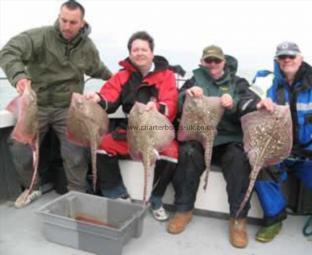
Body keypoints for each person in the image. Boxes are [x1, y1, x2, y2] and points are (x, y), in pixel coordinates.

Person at [0, 0, 112, 207]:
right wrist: (18, 76)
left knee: (76, 151)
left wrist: (117, 84)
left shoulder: (87, 47)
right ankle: (32, 187)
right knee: (18, 146)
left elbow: (100, 70)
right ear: (59, 17)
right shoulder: (40, 36)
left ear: (82, 23)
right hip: (37, 104)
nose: (67, 26)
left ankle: (77, 194)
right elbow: (8, 52)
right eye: (64, 20)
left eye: (73, 22)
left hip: (68, 107)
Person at [167, 45, 268, 248]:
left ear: (224, 62)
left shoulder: (237, 82)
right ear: (202, 62)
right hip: (199, 136)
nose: (212, 64)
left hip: (227, 138)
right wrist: (187, 94)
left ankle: (238, 219)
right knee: (188, 152)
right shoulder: (194, 79)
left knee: (239, 159)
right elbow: (176, 102)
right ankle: (183, 210)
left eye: (216, 61)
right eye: (208, 61)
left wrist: (233, 103)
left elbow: (248, 103)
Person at [85, 31, 179, 221]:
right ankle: (116, 193)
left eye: (144, 49)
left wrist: (158, 107)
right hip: (131, 129)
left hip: (156, 129)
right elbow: (110, 95)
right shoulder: (122, 75)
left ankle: (156, 198)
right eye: (135, 50)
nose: (139, 53)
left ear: (152, 53)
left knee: (172, 154)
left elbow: (172, 101)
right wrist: (98, 98)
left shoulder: (167, 75)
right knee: (101, 145)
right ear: (130, 53)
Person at [252, 41, 312, 242]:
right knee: (259, 168)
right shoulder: (265, 81)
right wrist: (256, 105)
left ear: (301, 58)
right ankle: (274, 219)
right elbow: (245, 102)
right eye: (282, 57)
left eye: (292, 56)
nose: (287, 60)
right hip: (275, 148)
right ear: (277, 60)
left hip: (308, 149)